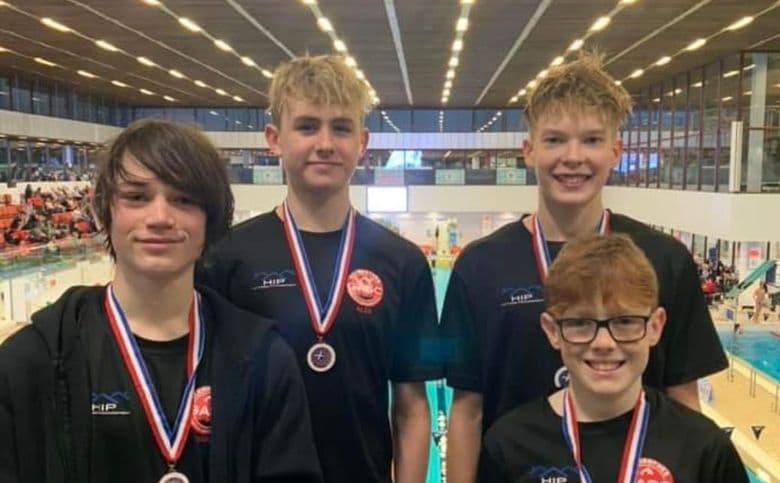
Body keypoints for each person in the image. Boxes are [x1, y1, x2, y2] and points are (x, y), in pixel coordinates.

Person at [440, 52, 728, 482]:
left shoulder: (664, 260)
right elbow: (467, 409)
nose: (573, 157)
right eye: (555, 140)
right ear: (529, 150)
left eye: (591, 140)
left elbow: (682, 395)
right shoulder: (481, 267)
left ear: (615, 151)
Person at [0, 120, 322, 483]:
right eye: (137, 197)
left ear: (210, 218)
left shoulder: (264, 360)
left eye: (183, 199)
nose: (160, 218)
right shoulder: (29, 363)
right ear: (102, 210)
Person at [198, 55, 440, 483]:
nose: (325, 143)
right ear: (274, 139)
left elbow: (412, 404)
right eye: (308, 126)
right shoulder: (227, 257)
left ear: (362, 143)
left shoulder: (403, 263)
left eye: (341, 128)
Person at [479, 234, 749, 482]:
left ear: (655, 327)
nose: (604, 343)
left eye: (625, 321)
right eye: (581, 323)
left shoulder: (703, 448)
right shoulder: (509, 446)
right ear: (553, 331)